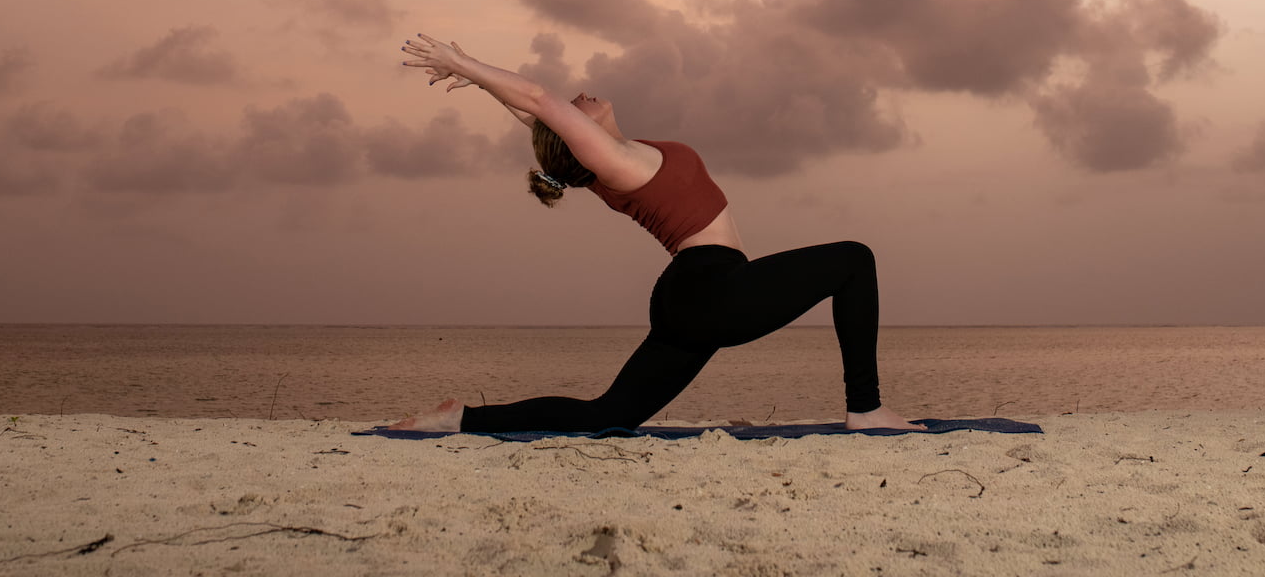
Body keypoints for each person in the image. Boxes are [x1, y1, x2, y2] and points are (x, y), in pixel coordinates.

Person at [389, 33, 926, 434]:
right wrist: (461, 62)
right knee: (854, 259)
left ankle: (462, 419)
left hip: (693, 296)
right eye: (574, 110)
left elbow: (536, 118)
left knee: (611, 416)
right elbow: (538, 102)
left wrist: (482, 84)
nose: (578, 95)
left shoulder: (611, 160)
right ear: (577, 138)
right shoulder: (613, 163)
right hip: (707, 290)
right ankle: (866, 408)